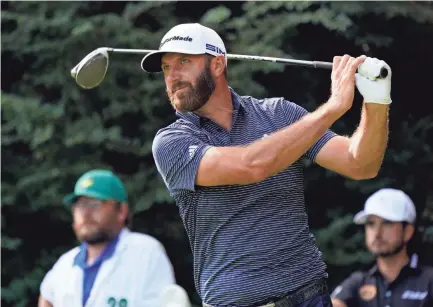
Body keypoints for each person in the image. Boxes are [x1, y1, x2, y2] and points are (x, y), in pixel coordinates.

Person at [141, 22, 391, 307]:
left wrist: (376, 100)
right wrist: (333, 107)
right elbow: (252, 165)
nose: (173, 76)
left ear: (218, 65)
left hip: (309, 297)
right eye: (166, 67)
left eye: (184, 61)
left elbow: (360, 164)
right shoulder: (172, 141)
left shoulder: (279, 114)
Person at [38, 169, 178, 307]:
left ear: (121, 210)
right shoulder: (65, 263)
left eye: (94, 204)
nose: (85, 213)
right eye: (79, 205)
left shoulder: (146, 252)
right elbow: (47, 296)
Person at [331, 188, 433, 307]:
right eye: (371, 223)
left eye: (387, 223)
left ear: (408, 231)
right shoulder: (359, 280)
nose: (377, 233)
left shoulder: (429, 280)